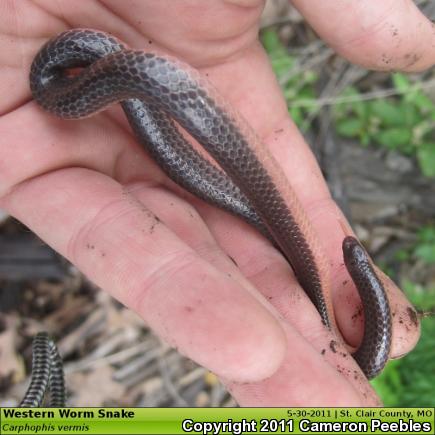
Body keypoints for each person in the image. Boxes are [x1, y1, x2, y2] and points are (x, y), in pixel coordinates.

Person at [0, 0, 427, 406]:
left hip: (108, 69)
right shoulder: (96, 70)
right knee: (138, 84)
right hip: (100, 72)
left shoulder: (111, 64)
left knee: (253, 205)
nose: (350, 252)